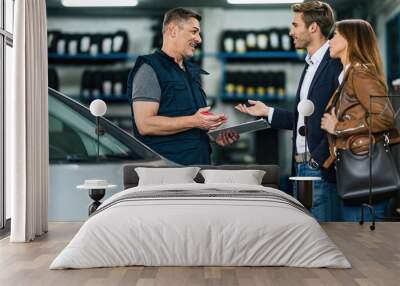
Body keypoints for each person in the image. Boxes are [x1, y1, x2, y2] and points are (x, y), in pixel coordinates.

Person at [235, 1, 342, 221]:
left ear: (313, 27)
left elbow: (341, 118)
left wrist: (318, 159)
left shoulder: (335, 65)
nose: (291, 31)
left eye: (295, 25)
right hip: (300, 166)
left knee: (324, 236)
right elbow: (305, 120)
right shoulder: (310, 65)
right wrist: (267, 111)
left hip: (320, 168)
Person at [127, 8, 238, 165]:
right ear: (173, 30)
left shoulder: (191, 73)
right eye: (194, 32)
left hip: (198, 168)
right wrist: (195, 121)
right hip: (167, 173)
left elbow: (187, 129)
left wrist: (212, 136)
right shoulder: (150, 69)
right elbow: (145, 124)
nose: (199, 39)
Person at [321, 19, 397, 221]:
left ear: (350, 39)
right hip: (357, 173)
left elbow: (384, 118)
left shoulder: (360, 73)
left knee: (363, 243)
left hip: (365, 175)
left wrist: (338, 127)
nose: (329, 41)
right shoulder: (349, 75)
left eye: (334, 35)